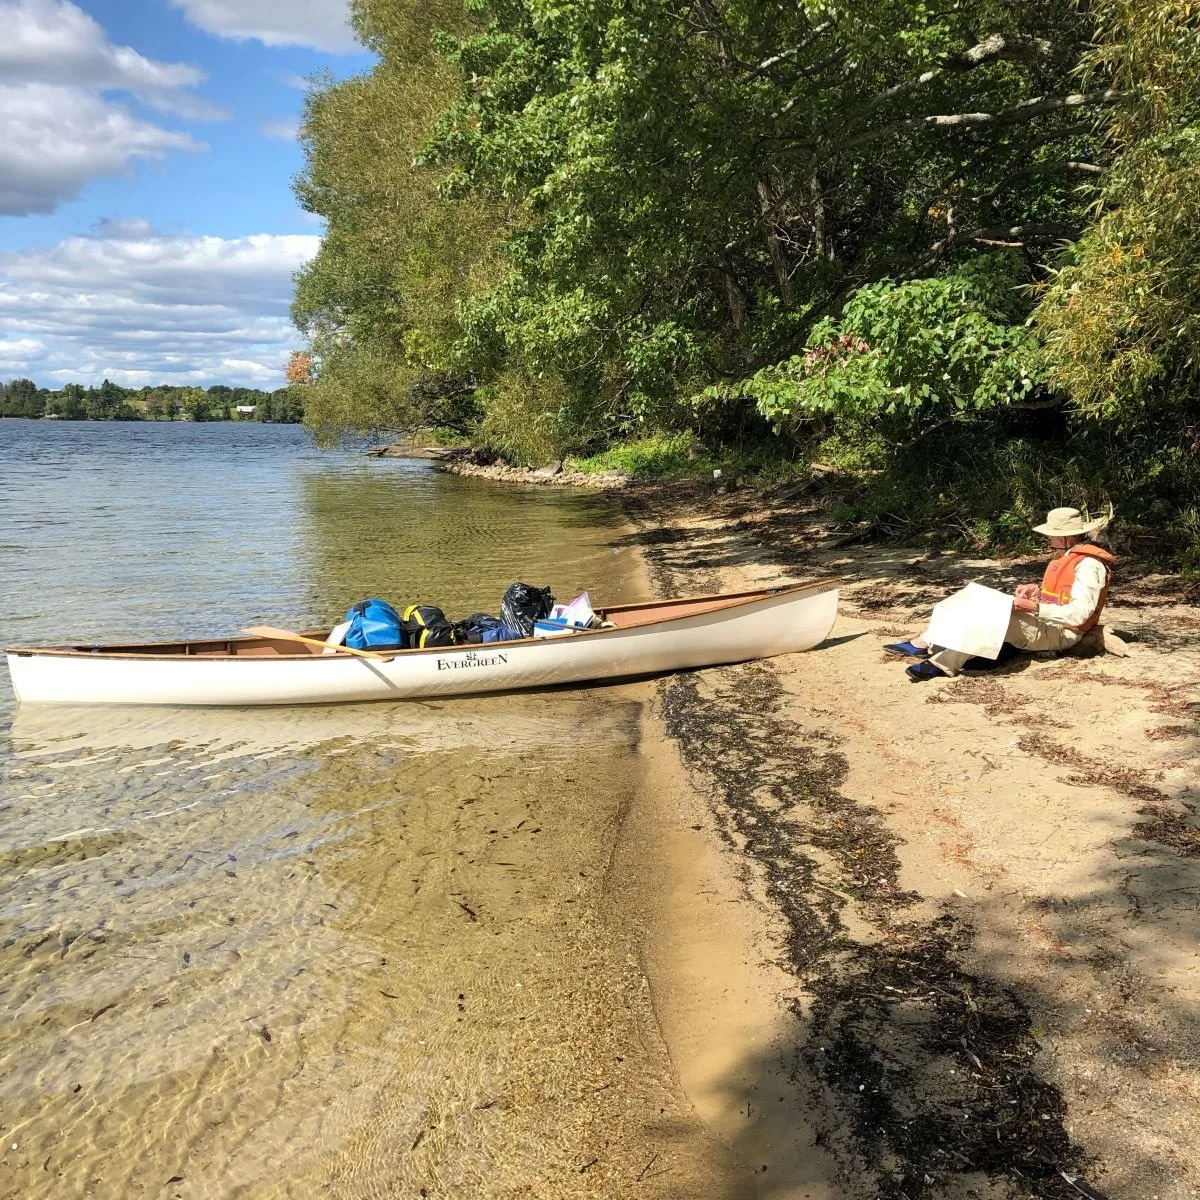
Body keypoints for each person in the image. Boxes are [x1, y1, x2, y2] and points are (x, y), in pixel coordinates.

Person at [884, 507, 1116, 681]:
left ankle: (943, 663)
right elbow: (1059, 594)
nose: (1048, 539)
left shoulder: (1088, 565)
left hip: (1063, 633)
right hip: (1047, 622)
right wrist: (1036, 591)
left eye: (1053, 534)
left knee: (999, 615)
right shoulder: (1066, 556)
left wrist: (1032, 607)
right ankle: (927, 640)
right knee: (978, 596)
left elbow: (1079, 615)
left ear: (1067, 537)